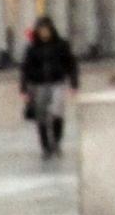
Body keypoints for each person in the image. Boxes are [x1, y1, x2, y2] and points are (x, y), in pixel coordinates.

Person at [19, 15, 78, 157]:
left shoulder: (61, 45)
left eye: (46, 29)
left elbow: (71, 64)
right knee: (41, 117)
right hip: (38, 85)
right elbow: (25, 69)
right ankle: (45, 146)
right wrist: (24, 89)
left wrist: (74, 83)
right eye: (41, 30)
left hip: (56, 82)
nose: (44, 32)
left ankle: (56, 142)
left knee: (57, 113)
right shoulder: (32, 48)